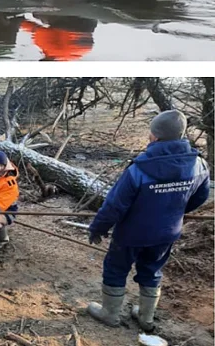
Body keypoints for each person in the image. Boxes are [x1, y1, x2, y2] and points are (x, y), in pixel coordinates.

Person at [86, 110, 209, 331]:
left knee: (116, 268)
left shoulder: (139, 168)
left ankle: (110, 314)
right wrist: (174, 212)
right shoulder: (198, 164)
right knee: (152, 270)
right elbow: (201, 196)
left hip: (131, 234)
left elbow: (115, 205)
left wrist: (98, 228)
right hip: (166, 233)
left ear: (155, 136)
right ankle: (146, 318)